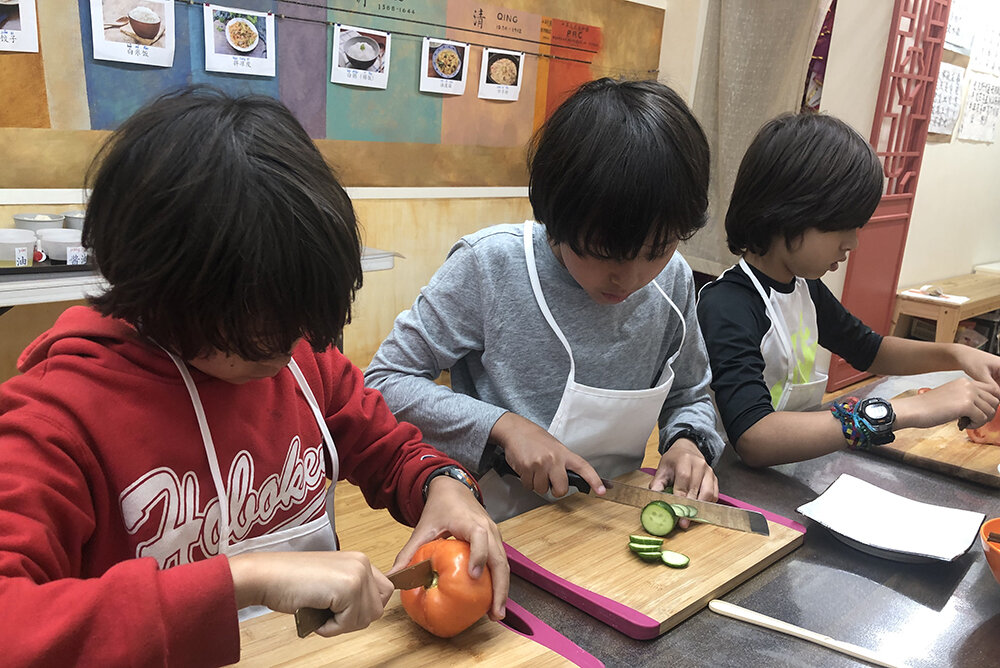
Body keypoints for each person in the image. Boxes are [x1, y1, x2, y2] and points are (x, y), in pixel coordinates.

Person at [0, 86, 507, 667]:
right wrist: (244, 579)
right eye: (261, 328)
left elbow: (389, 450)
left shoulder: (300, 361)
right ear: (165, 285)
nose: (291, 346)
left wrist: (443, 484)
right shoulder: (55, 417)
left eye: (300, 322)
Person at [364, 78, 724, 523]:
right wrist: (504, 427)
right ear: (557, 215)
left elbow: (690, 391)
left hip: (610, 527)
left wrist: (687, 441)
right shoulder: (490, 265)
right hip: (497, 525)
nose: (630, 278)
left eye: (656, 250)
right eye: (605, 252)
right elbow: (383, 381)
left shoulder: (673, 280)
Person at [697, 112, 1000, 467]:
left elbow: (870, 350)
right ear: (786, 213)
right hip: (727, 482)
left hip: (787, 471)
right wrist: (909, 409)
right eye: (842, 226)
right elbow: (754, 437)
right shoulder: (726, 305)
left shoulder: (805, 288)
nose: (852, 244)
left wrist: (955, 355)